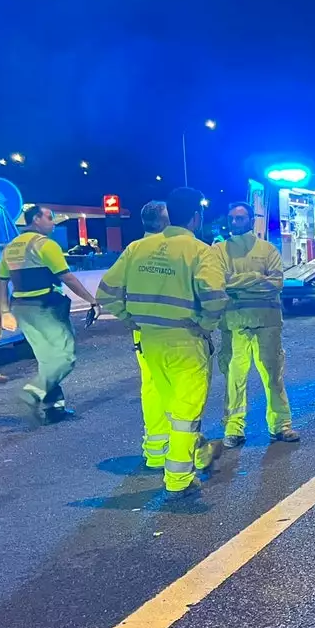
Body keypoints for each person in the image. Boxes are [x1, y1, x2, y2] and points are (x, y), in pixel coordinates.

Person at [96, 188, 227, 500]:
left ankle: (195, 452)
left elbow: (105, 293)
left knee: (170, 405)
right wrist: (206, 324)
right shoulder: (199, 250)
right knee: (185, 412)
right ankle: (179, 479)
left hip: (149, 340)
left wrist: (128, 317)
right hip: (186, 340)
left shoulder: (138, 248)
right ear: (196, 216)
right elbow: (216, 297)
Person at [0, 206, 100, 424]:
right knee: (65, 358)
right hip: (44, 306)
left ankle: (54, 409)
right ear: (36, 219)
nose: (53, 222)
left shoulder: (11, 247)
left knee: (46, 359)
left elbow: (1, 280)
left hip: (21, 307)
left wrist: (4, 311)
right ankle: (33, 392)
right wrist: (92, 300)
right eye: (49, 218)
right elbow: (67, 277)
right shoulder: (44, 245)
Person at [215, 202, 299, 449]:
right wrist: (256, 279)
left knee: (273, 377)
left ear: (251, 220)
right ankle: (233, 428)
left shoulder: (267, 250)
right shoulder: (219, 251)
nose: (234, 222)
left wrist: (237, 284)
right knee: (234, 379)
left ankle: (281, 426)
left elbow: (276, 283)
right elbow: (219, 283)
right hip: (235, 325)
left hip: (266, 324)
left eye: (240, 218)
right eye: (231, 218)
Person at [132, 201, 170, 469]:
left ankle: (155, 450)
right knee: (180, 390)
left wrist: (128, 319)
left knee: (151, 387)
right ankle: (180, 448)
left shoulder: (133, 250)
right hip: (175, 331)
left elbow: (109, 292)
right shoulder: (176, 249)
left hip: (143, 332)